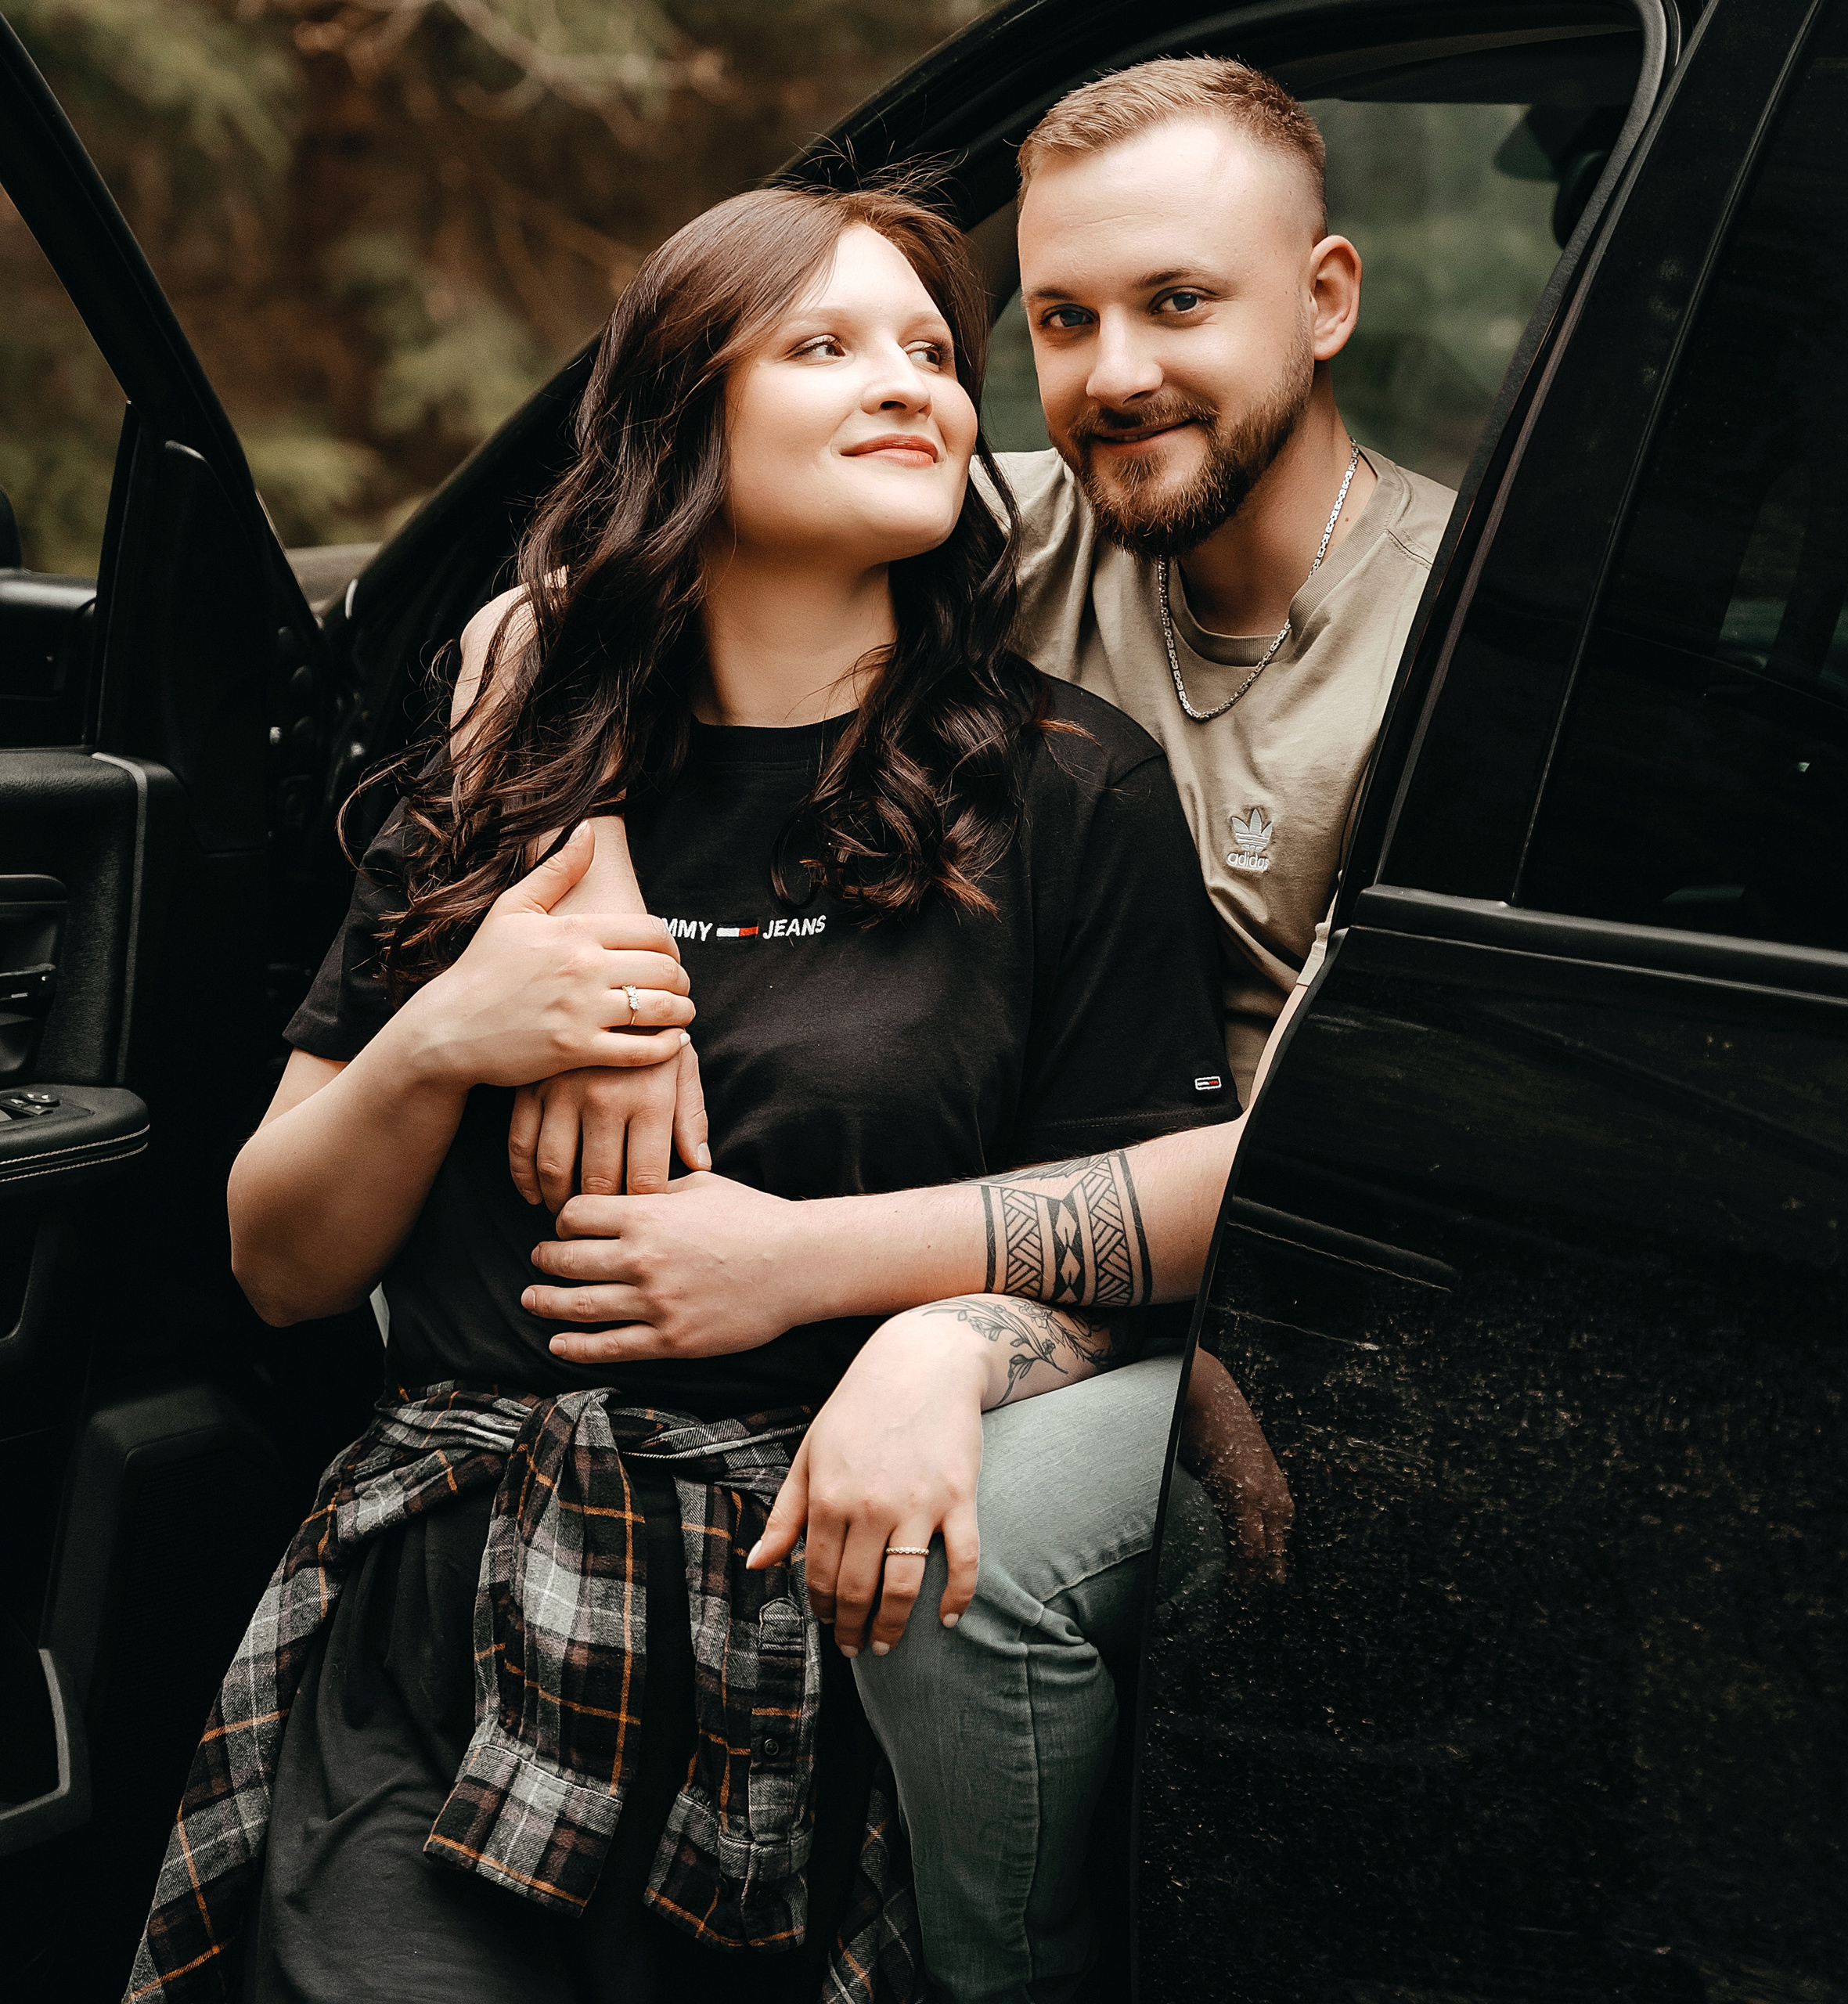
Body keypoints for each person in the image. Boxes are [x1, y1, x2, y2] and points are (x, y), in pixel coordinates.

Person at [123, 177, 1240, 2004]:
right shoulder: (509, 779)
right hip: (459, 1621)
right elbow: (280, 1262)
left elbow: (1151, 1240)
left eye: (933, 351)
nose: (912, 385)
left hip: (824, 1628)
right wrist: (447, 1030)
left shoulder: (1061, 788)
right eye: (823, 345)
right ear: (676, 424)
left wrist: (923, 1331)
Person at [500, 56, 1455, 2004]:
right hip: (1079, 1229)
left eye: (1180, 305)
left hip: (1344, 1306)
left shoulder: (1458, 636)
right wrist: (584, 904)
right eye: (1061, 319)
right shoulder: (1007, 525)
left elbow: (1418, 1133)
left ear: (1327, 297)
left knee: (971, 1551)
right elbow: (547, 617)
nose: (1111, 375)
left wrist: (919, 1311)